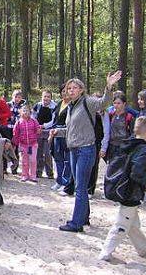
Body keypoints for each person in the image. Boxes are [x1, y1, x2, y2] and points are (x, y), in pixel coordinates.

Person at [49, 70, 122, 232]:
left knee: (80, 188)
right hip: (74, 150)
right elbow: (71, 129)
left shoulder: (87, 101)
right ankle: (84, 218)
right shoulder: (70, 107)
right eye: (69, 88)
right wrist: (57, 131)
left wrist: (109, 86)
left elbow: (104, 102)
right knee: (80, 186)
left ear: (81, 90)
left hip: (86, 150)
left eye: (75, 88)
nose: (71, 90)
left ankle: (76, 223)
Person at [99, 116, 146, 261]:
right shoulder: (144, 150)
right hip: (131, 191)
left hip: (120, 186)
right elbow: (137, 173)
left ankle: (143, 248)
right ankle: (106, 252)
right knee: (122, 224)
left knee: (133, 224)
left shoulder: (127, 144)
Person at [13, 104, 41, 182]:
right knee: (24, 161)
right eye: (24, 110)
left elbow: (38, 130)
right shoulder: (18, 122)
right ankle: (25, 175)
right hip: (23, 144)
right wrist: (16, 143)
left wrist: (38, 131)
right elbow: (15, 133)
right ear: (20, 112)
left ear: (30, 112)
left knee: (33, 160)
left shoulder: (34, 121)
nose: (26, 112)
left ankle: (33, 175)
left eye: (27, 110)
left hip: (33, 144)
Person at [32, 90, 56, 179]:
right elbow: (33, 116)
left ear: (51, 98)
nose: (46, 98)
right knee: (39, 152)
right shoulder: (37, 106)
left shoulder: (54, 107)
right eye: (44, 96)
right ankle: (38, 172)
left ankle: (50, 173)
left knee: (47, 153)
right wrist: (37, 126)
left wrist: (44, 126)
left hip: (49, 132)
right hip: (38, 131)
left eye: (48, 97)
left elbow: (54, 120)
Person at [103, 93, 134, 163]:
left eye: (119, 103)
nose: (116, 105)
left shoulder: (129, 117)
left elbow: (133, 133)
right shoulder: (110, 115)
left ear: (124, 104)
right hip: (112, 147)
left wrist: (129, 147)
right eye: (114, 103)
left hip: (123, 147)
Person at [52, 83, 72, 192]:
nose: (65, 93)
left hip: (67, 135)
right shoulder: (59, 104)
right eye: (63, 91)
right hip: (56, 135)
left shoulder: (72, 105)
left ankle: (66, 182)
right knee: (58, 159)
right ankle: (59, 181)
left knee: (67, 160)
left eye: (67, 91)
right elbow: (54, 120)